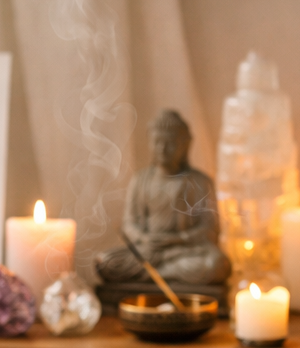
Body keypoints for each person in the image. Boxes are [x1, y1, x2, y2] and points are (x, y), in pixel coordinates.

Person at [96, 110, 231, 285]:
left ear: (185, 145)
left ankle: (155, 274)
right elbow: (129, 223)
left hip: (184, 251)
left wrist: (178, 239)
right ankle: (162, 274)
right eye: (157, 142)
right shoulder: (141, 179)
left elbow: (210, 230)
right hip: (148, 250)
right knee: (105, 262)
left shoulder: (200, 181)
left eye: (170, 143)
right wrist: (143, 238)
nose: (163, 149)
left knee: (217, 264)